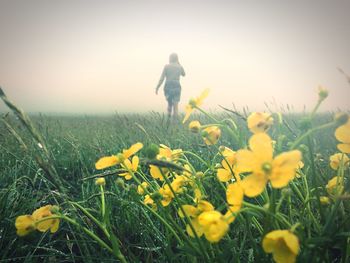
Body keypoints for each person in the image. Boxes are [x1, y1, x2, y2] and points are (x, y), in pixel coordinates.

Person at [155, 53, 185, 119]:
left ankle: (168, 122)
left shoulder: (166, 66)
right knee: (176, 107)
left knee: (169, 105)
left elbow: (162, 78)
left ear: (170, 58)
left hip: (168, 86)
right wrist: (179, 63)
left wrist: (157, 87)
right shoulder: (179, 67)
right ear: (177, 59)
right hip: (177, 86)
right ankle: (175, 124)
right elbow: (184, 74)